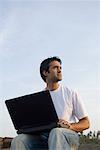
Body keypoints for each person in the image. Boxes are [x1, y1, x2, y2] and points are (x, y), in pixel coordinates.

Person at [10, 56, 90, 150]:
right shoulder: (39, 98)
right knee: (19, 140)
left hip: (67, 135)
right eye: (55, 67)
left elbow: (86, 123)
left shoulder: (70, 92)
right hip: (44, 138)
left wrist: (70, 126)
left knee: (56, 132)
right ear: (45, 72)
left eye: (60, 68)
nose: (59, 70)